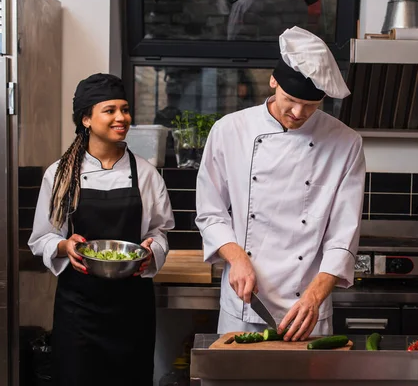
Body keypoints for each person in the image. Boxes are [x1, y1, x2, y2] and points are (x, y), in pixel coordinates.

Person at [195, 26, 366, 341]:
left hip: (308, 308)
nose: (299, 113)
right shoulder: (229, 131)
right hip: (245, 302)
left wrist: (315, 297)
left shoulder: (346, 143)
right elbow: (211, 212)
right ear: (273, 81)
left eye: (311, 106)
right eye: (291, 100)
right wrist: (237, 258)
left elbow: (343, 234)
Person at [28, 73, 175, 386]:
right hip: (79, 310)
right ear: (86, 119)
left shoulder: (146, 174)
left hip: (132, 309)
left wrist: (152, 252)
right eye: (109, 110)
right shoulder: (61, 174)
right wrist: (63, 246)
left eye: (124, 109)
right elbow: (42, 238)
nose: (121, 117)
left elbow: (161, 231)